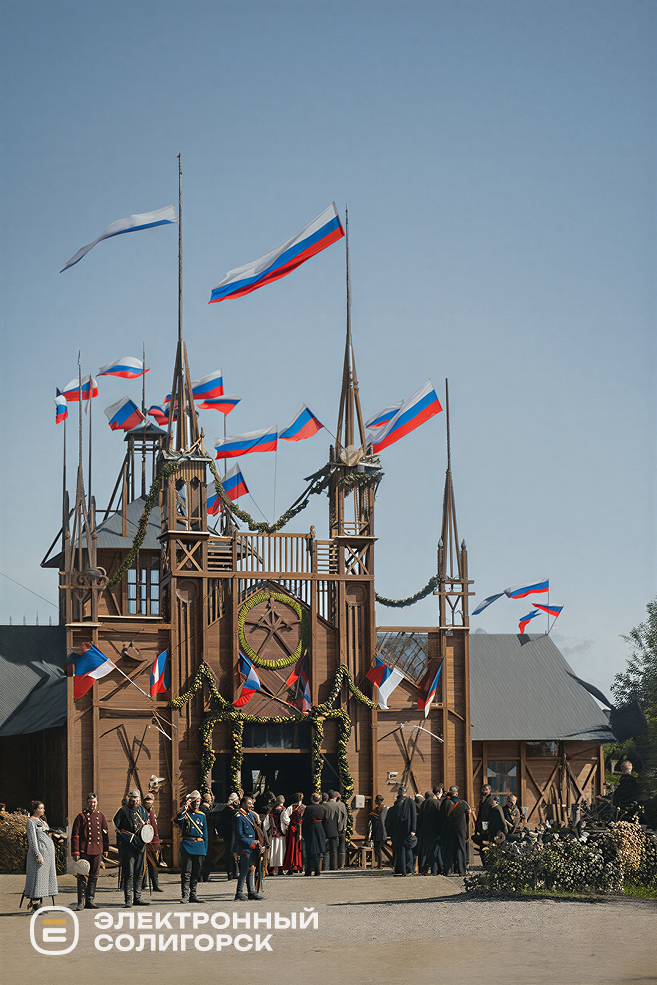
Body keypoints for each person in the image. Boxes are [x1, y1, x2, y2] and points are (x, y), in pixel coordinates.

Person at [71, 792, 109, 910]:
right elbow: (75, 835)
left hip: (97, 850)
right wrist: (75, 852)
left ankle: (90, 900)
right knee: (82, 875)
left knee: (94, 876)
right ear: (87, 803)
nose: (93, 804)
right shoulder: (81, 817)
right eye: (90, 802)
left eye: (94, 802)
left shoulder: (101, 816)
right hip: (84, 850)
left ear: (97, 803)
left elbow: (105, 833)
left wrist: (106, 849)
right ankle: (80, 902)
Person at [113, 789, 150, 907]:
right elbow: (117, 827)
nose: (135, 801)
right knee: (128, 873)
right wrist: (123, 839)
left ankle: (137, 898)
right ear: (129, 798)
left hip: (140, 845)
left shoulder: (143, 811)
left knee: (139, 873)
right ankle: (128, 900)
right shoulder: (123, 811)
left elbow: (147, 828)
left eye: (137, 799)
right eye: (133, 798)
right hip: (128, 846)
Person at [24, 800, 58, 912]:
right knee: (37, 878)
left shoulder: (42, 821)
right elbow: (32, 840)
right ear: (35, 810)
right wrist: (38, 855)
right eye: (41, 808)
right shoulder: (31, 822)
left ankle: (40, 903)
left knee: (43, 880)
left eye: (43, 808)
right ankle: (35, 904)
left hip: (48, 856)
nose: (43, 810)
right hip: (39, 856)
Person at [175, 790, 208, 903]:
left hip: (199, 845)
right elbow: (178, 820)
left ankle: (193, 894)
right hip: (187, 845)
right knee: (186, 872)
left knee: (196, 872)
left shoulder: (202, 815)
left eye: (198, 801)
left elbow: (205, 833)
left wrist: (205, 849)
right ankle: (185, 895)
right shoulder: (185, 814)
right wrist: (184, 809)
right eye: (194, 802)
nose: (196, 804)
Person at [233, 795, 264, 901]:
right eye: (249, 803)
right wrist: (251, 842)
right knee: (244, 870)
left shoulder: (250, 815)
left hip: (252, 847)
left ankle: (251, 892)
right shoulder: (238, 817)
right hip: (244, 847)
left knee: (252, 868)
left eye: (252, 803)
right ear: (243, 804)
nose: (251, 806)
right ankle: (239, 893)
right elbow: (239, 835)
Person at [441, 786, 471, 876]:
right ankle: (462, 870)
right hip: (460, 829)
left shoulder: (445, 802)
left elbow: (441, 815)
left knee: (448, 849)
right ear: (457, 793)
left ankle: (447, 870)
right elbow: (469, 812)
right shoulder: (463, 803)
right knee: (460, 849)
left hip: (448, 829)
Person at [387, 789, 417, 876]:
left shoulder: (396, 803)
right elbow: (413, 816)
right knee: (407, 850)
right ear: (406, 793)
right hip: (406, 829)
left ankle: (401, 869)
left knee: (400, 851)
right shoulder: (409, 801)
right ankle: (408, 869)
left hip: (398, 830)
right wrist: (413, 829)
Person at [418, 789, 444, 875]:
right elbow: (440, 817)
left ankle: (423, 869)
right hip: (434, 830)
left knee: (425, 851)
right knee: (435, 850)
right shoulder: (436, 803)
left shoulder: (423, 804)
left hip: (424, 830)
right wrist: (440, 832)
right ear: (433, 796)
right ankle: (435, 869)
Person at [141, 793, 163, 892]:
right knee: (142, 864)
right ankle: (142, 883)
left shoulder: (153, 813)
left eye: (151, 801)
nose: (149, 803)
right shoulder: (141, 812)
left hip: (153, 842)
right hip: (144, 842)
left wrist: (157, 843)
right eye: (147, 801)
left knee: (153, 864)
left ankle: (155, 884)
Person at [302, 792, 326, 876]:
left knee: (309, 850)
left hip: (311, 828)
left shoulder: (309, 808)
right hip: (320, 828)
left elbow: (304, 819)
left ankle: (309, 870)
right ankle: (317, 870)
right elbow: (325, 819)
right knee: (318, 851)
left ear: (312, 799)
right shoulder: (322, 808)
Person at [263, 795, 288, 875]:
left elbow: (266, 823)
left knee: (272, 851)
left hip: (273, 833)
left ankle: (272, 869)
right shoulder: (284, 810)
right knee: (281, 851)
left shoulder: (272, 810)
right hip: (281, 833)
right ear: (283, 801)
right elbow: (287, 821)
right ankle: (280, 869)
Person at [282, 792, 305, 874]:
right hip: (297, 828)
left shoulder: (291, 807)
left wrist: (289, 823)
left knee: (293, 847)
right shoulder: (301, 807)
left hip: (294, 828)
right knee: (296, 847)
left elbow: (285, 816)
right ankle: (296, 866)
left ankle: (295, 865)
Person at [367, 794, 388, 869]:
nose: (376, 801)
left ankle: (380, 864)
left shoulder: (384, 809)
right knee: (376, 848)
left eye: (377, 800)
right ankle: (378, 863)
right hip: (376, 830)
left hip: (381, 831)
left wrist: (373, 816)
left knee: (379, 848)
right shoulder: (376, 809)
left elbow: (381, 819)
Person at [322, 791, 340, 871]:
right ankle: (334, 866)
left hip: (326, 829)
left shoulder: (324, 805)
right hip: (335, 828)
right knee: (334, 849)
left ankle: (325, 867)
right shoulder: (337, 805)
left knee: (326, 849)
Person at [199, 792, 215, 882]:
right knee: (206, 856)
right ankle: (204, 875)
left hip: (204, 836)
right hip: (207, 836)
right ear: (209, 801)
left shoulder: (201, 810)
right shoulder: (206, 811)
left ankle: (201, 875)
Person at [335, 792, 348, 869]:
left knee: (335, 846)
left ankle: (335, 863)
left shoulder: (334, 805)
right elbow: (345, 816)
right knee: (342, 847)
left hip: (335, 828)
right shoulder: (342, 805)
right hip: (343, 828)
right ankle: (341, 864)